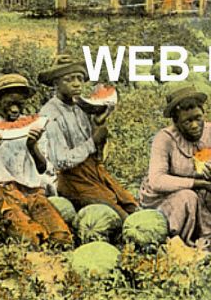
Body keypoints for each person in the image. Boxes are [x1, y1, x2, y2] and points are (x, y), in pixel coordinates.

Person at [0, 74, 72, 248]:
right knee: (30, 240)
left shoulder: (35, 127)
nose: (15, 109)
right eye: (10, 103)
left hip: (33, 192)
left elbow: (43, 168)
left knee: (61, 238)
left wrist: (33, 146)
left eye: (20, 104)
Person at [139, 85, 211, 251]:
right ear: (176, 122)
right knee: (188, 197)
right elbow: (157, 181)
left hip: (203, 191)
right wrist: (198, 184)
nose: (195, 125)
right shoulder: (164, 139)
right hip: (167, 197)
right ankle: (188, 240)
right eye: (187, 121)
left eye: (198, 118)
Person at [38, 54, 139, 219]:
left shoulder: (81, 106)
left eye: (80, 78)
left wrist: (99, 122)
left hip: (95, 171)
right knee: (119, 215)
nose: (77, 83)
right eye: (69, 79)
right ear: (56, 83)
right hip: (72, 180)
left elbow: (98, 154)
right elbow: (61, 161)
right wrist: (93, 142)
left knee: (132, 205)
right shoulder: (50, 114)